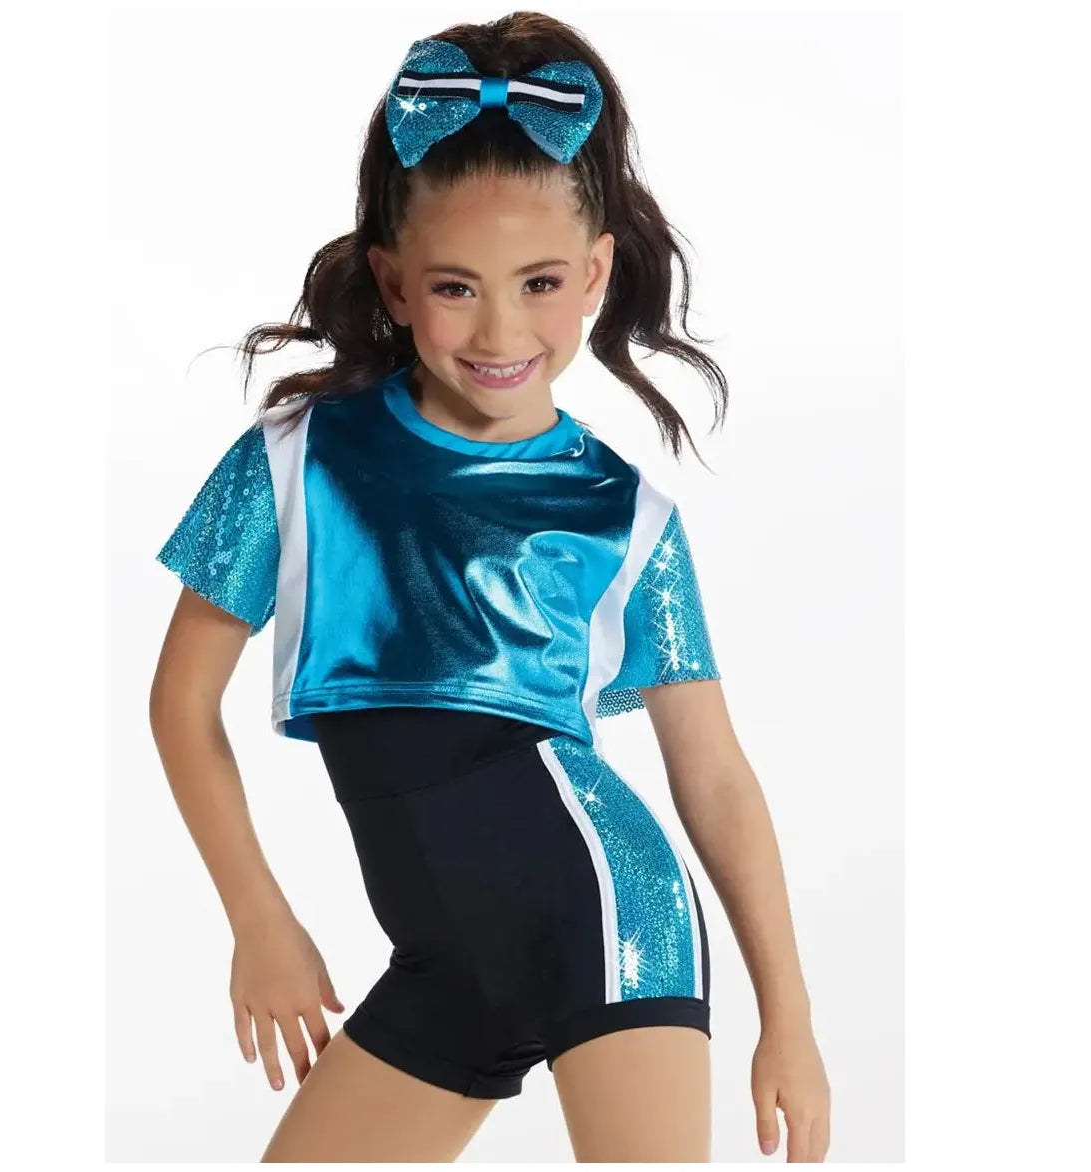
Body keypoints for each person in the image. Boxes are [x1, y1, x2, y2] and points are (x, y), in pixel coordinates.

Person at [148, 12, 830, 1163]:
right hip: (443, 968)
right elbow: (179, 703)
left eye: (540, 281)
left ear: (595, 274)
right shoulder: (299, 460)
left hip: (610, 926)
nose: (501, 326)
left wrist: (790, 1018)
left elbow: (711, 773)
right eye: (456, 285)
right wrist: (258, 919)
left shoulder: (622, 512)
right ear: (391, 280)